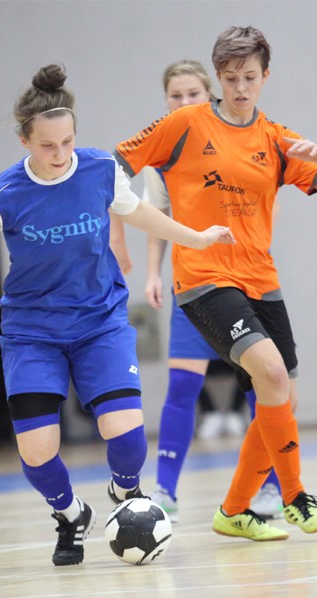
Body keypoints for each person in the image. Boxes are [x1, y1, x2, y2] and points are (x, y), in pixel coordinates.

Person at [0, 64, 234, 566]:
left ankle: (124, 489)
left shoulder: (98, 169)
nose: (60, 154)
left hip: (99, 321)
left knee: (128, 437)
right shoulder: (1, 197)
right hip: (32, 333)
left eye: (67, 142)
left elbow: (136, 211)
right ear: (25, 140)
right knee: (36, 450)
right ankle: (71, 515)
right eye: (47, 145)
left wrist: (195, 238)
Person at [114, 26, 317, 542]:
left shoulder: (276, 138)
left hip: (262, 281)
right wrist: (117, 236)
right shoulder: (184, 124)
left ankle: (234, 510)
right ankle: (294, 496)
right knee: (268, 372)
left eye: (250, 77)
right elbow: (115, 166)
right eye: (230, 78)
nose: (240, 87)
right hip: (204, 280)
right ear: (218, 78)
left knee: (281, 395)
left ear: (265, 77)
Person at [113, 59, 283, 523]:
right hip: (194, 285)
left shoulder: (237, 136)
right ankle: (165, 491)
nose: (184, 102)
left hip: (245, 281)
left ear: (210, 95)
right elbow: (156, 217)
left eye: (193, 94)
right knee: (183, 385)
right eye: (175, 95)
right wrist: (152, 274)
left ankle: (271, 486)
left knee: (262, 382)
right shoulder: (164, 150)